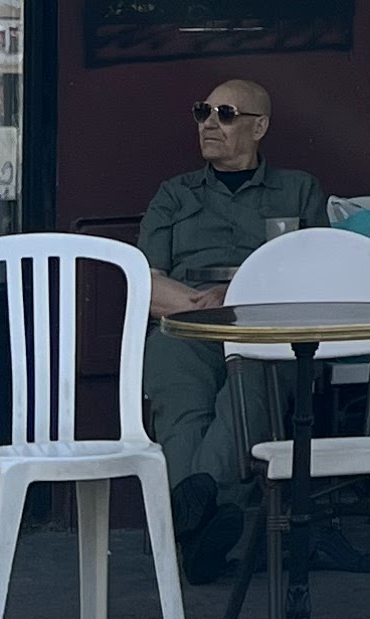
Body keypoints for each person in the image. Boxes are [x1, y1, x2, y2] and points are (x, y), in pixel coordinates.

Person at [138, 79, 327, 573]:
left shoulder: (298, 189)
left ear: (258, 127)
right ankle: (205, 523)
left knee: (248, 392)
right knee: (180, 399)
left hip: (267, 329)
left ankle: (189, 521)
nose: (209, 124)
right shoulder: (175, 194)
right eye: (202, 112)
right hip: (188, 323)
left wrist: (240, 299)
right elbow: (146, 283)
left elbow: (314, 274)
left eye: (225, 114)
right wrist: (207, 307)